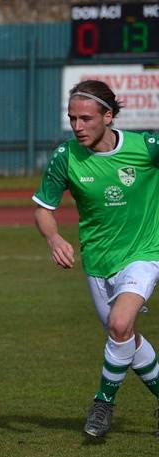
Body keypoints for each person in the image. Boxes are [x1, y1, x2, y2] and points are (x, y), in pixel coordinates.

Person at [33, 80, 159, 438]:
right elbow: (43, 208)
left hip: (145, 253)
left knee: (120, 325)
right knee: (125, 339)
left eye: (86, 118)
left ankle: (103, 404)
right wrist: (54, 236)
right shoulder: (65, 157)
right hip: (98, 261)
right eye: (72, 118)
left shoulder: (146, 147)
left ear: (108, 115)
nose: (77, 126)